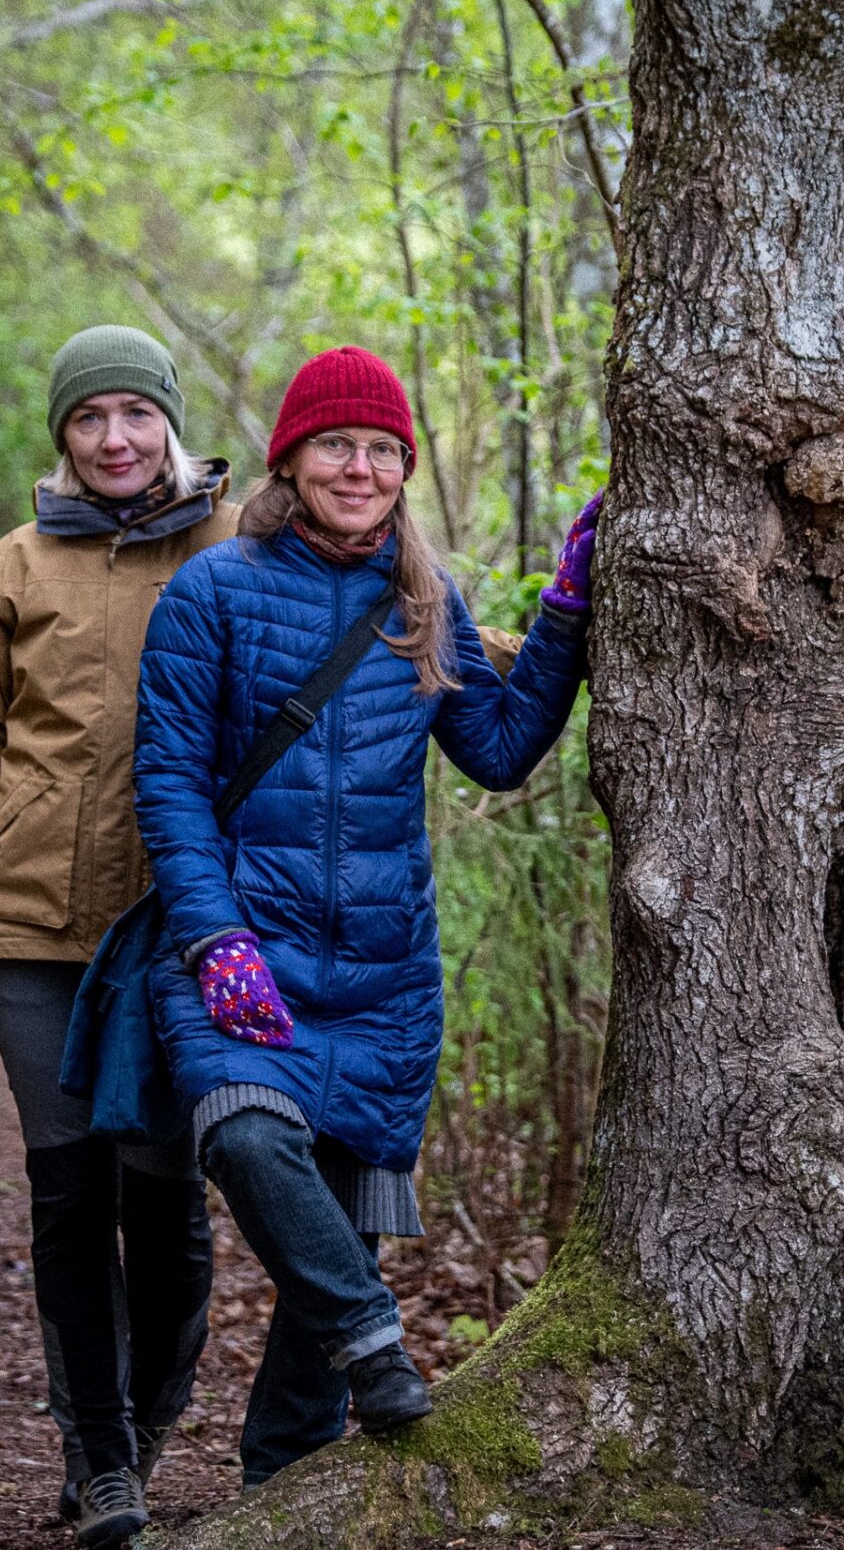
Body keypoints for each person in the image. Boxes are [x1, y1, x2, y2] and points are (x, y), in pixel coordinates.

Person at [130, 344, 601, 1488]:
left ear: (404, 467)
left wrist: (569, 612)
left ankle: (280, 1480)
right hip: (244, 948)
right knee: (245, 1134)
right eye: (337, 446)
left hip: (385, 973)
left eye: (383, 451)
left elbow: (495, 750)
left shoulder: (426, 599)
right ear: (291, 459)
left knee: (335, 1225)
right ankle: (375, 1335)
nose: (361, 468)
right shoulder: (215, 591)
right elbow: (170, 780)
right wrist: (214, 937)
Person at [0, 324, 237, 1550]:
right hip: (27, 927)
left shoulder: (235, 545)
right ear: (63, 434)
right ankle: (96, 1453)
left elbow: (377, 625)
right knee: (67, 1192)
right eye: (91, 419)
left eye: (136, 416)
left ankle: (150, 1420)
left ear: (170, 425)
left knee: (165, 1194)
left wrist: (550, 642)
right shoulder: (11, 567)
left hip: (176, 925)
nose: (115, 439)